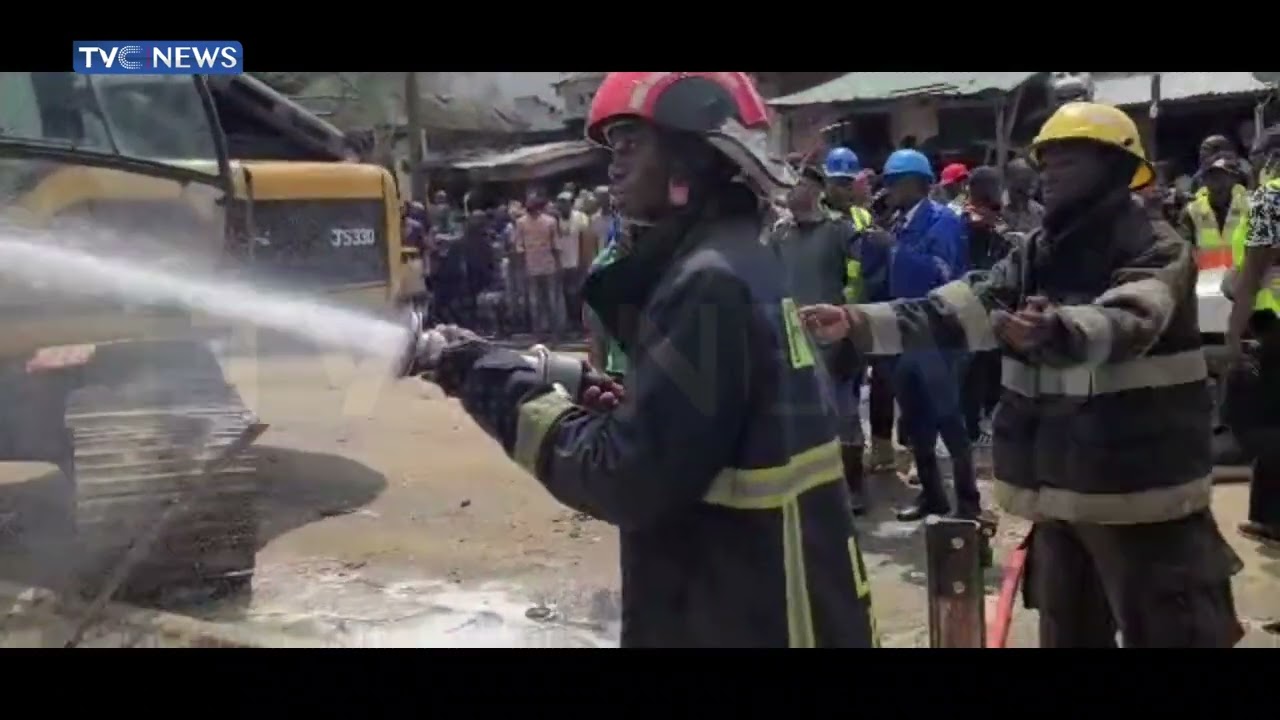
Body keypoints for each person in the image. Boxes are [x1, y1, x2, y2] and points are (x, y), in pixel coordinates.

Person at [417, 71, 878, 647]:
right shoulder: (741, 258)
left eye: (632, 144)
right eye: (612, 147)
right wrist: (631, 406)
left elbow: (627, 478)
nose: (613, 165)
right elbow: (708, 431)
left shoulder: (705, 281)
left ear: (690, 159)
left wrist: (493, 384)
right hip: (769, 598)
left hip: (736, 616)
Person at [800, 101, 1244, 647]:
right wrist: (854, 321)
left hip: (1142, 499)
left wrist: (1058, 330)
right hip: (1059, 495)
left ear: (1115, 170)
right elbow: (954, 310)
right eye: (1047, 164)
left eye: (1069, 163)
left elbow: (1132, 316)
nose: (1049, 178)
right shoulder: (1037, 251)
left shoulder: (1157, 246)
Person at [873, 148, 976, 521]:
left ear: (915, 184)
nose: (888, 192)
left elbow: (944, 274)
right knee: (917, 424)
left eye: (893, 183)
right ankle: (932, 495)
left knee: (950, 422)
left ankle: (968, 503)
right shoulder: (898, 224)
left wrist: (897, 249)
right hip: (905, 335)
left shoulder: (943, 221)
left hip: (939, 337)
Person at [768, 161, 869, 514]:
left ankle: (854, 489)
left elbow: (857, 282)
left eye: (796, 185)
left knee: (845, 415)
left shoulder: (840, 232)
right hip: (794, 342)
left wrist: (852, 328)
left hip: (837, 340)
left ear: (815, 190)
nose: (789, 193)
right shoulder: (779, 235)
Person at [957, 166, 1012, 454]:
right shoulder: (962, 221)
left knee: (991, 368)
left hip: (997, 304)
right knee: (973, 370)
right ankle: (971, 428)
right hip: (969, 303)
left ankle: (984, 421)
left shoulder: (999, 224)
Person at [1221, 309, 1280, 544]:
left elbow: (1230, 414)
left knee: (1268, 456)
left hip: (1260, 433)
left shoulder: (1248, 365)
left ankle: (1271, 525)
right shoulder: (1253, 364)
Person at [1226, 125, 1280, 361]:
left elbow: (1253, 274)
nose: (1252, 166)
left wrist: (1233, 333)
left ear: (1272, 157)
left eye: (1254, 156)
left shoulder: (1271, 196)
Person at [1178, 153, 1250, 270]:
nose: (1216, 184)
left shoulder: (1251, 207)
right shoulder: (1191, 211)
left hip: (1240, 280)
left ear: (1235, 179)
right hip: (1204, 282)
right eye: (1211, 177)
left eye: (1222, 177)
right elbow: (1183, 254)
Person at [513, 191, 566, 342]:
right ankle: (538, 334)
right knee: (535, 302)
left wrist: (559, 264)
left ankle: (556, 334)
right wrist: (521, 267)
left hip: (548, 265)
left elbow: (556, 244)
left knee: (552, 301)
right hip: (531, 266)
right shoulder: (521, 222)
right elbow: (519, 246)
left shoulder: (550, 221)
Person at [554, 191, 591, 328]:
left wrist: (584, 261)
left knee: (579, 294)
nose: (563, 206)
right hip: (561, 264)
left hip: (578, 261)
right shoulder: (554, 220)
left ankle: (581, 323)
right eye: (560, 203)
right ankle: (570, 323)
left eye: (566, 203)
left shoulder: (581, 217)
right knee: (565, 296)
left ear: (571, 204)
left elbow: (585, 240)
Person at [822, 147, 874, 230]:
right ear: (827, 182)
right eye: (841, 183)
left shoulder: (862, 216)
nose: (848, 190)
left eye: (850, 183)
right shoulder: (817, 215)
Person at [1002, 158, 1045, 233]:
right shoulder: (993, 205)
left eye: (1033, 179)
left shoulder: (1040, 213)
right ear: (1008, 180)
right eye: (1024, 180)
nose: (1030, 185)